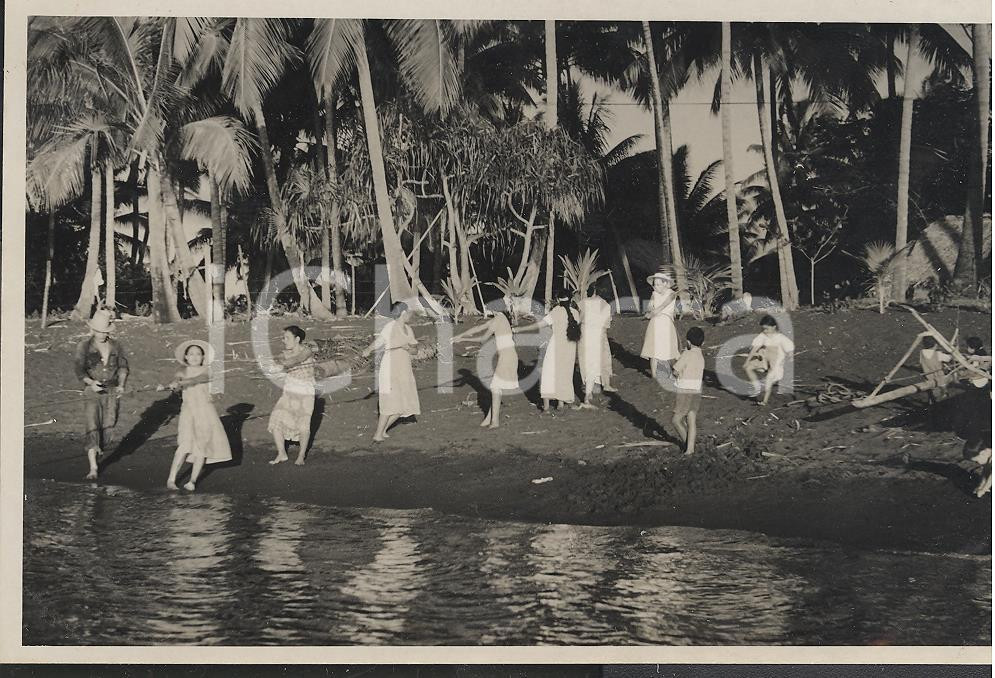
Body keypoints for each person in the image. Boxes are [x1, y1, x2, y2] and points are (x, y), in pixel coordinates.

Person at [166, 340, 232, 491]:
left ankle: (192, 481)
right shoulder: (181, 370)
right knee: (184, 445)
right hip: (188, 411)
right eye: (191, 354)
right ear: (186, 357)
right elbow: (176, 379)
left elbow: (201, 378)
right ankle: (171, 479)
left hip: (205, 411)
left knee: (201, 446)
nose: (195, 356)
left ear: (203, 357)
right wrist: (175, 384)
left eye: (198, 354)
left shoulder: (207, 370)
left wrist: (186, 381)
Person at [73, 308, 129, 480]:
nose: (101, 334)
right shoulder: (84, 346)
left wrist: (121, 385)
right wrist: (91, 383)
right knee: (92, 424)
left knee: (109, 425)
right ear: (92, 329)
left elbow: (123, 367)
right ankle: (93, 468)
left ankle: (100, 450)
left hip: (111, 390)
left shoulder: (116, 346)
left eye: (104, 331)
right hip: (92, 390)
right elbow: (79, 370)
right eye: (98, 331)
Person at [452, 300, 519, 429]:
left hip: (507, 357)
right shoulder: (502, 317)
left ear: (493, 309)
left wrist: (463, 339)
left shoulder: (498, 319)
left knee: (495, 388)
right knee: (496, 388)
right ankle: (490, 419)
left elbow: (482, 339)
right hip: (509, 356)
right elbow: (478, 328)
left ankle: (495, 422)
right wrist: (460, 335)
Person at [362, 302, 421, 442]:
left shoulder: (409, 329)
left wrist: (409, 349)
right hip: (390, 369)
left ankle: (382, 431)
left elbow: (415, 350)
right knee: (389, 402)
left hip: (404, 370)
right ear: (403, 313)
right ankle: (378, 434)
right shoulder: (390, 326)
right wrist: (368, 350)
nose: (410, 315)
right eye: (409, 313)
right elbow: (380, 341)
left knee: (403, 405)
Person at [513, 294, 581, 412]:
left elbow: (539, 326)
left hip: (556, 346)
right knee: (565, 374)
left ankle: (546, 407)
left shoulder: (555, 311)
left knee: (549, 373)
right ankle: (560, 403)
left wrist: (519, 329)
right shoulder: (575, 313)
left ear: (558, 299)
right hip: (570, 347)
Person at [267, 325, 317, 465]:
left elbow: (296, 360)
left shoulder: (306, 351)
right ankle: (282, 453)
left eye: (287, 338)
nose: (284, 341)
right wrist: (273, 365)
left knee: (303, 425)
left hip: (305, 392)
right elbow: (279, 359)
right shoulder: (284, 353)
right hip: (289, 391)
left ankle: (301, 456)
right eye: (284, 338)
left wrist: (281, 366)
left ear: (297, 339)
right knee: (276, 419)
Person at [743, 315, 795, 406]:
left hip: (776, 363)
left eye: (767, 329)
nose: (765, 331)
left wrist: (789, 358)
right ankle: (757, 387)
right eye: (763, 329)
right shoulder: (763, 336)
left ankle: (764, 401)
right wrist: (747, 361)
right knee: (748, 367)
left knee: (769, 381)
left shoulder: (781, 338)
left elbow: (790, 350)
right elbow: (754, 349)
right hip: (765, 360)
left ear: (774, 327)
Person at [576, 288, 614, 408]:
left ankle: (589, 389)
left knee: (585, 361)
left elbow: (579, 319)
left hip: (585, 334)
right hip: (597, 336)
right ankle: (591, 390)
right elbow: (606, 326)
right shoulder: (606, 305)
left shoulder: (583, 302)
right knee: (595, 362)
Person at [672, 327, 705, 456]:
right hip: (697, 390)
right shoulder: (700, 356)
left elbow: (675, 371)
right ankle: (690, 449)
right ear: (703, 343)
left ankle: (687, 445)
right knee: (691, 420)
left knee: (676, 420)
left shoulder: (687, 354)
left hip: (685, 391)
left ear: (688, 342)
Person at [640, 271, 679, 380]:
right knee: (654, 349)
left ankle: (671, 372)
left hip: (666, 323)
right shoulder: (654, 294)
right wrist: (649, 311)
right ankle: (654, 374)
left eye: (658, 284)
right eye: (654, 284)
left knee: (668, 348)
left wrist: (653, 312)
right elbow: (649, 307)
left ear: (665, 284)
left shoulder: (671, 294)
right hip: (655, 323)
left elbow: (662, 306)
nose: (655, 287)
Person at [918, 335, 952, 404]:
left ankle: (931, 401)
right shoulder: (937, 354)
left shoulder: (921, 353)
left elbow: (921, 362)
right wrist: (951, 354)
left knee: (931, 391)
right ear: (935, 345)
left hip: (928, 377)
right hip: (939, 378)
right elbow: (948, 358)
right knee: (942, 392)